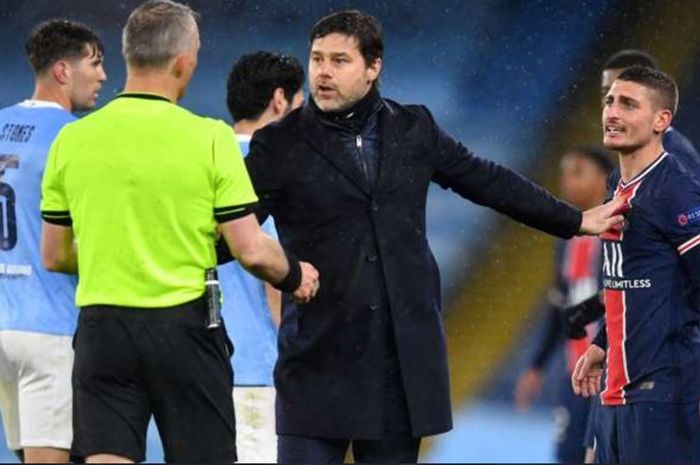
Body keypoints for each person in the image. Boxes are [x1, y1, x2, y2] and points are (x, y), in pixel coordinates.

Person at [244, 9, 624, 463]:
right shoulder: (277, 146)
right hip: (317, 362)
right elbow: (232, 229)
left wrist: (574, 220)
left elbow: (487, 180)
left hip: (400, 370)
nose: (323, 71)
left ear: (373, 68)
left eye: (340, 60)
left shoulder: (413, 129)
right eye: (317, 58)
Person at [39, 1, 318, 463]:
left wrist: (122, 255)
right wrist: (295, 276)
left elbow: (55, 254)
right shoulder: (208, 138)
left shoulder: (73, 139)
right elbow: (249, 250)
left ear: (128, 55)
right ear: (184, 60)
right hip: (184, 327)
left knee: (106, 456)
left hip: (102, 327)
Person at [571, 66, 700, 464]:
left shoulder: (677, 190)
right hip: (617, 390)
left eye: (628, 104)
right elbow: (633, 281)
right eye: (610, 102)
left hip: (664, 394)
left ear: (662, 120)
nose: (612, 112)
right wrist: (601, 344)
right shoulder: (617, 184)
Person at [0, 19, 105, 464]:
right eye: (95, 64)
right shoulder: (76, 137)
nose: (103, 76)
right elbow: (94, 233)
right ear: (63, 70)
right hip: (50, 327)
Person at [223, 50, 305, 463]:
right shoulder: (274, 170)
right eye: (300, 105)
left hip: (196, 365)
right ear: (279, 100)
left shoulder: (205, 161)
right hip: (257, 370)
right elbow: (276, 277)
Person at [513, 147, 612, 463]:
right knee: (568, 455)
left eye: (578, 172)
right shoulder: (567, 238)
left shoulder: (621, 230)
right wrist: (537, 366)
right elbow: (559, 307)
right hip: (576, 373)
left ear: (604, 177)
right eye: (565, 173)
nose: (567, 182)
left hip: (613, 373)